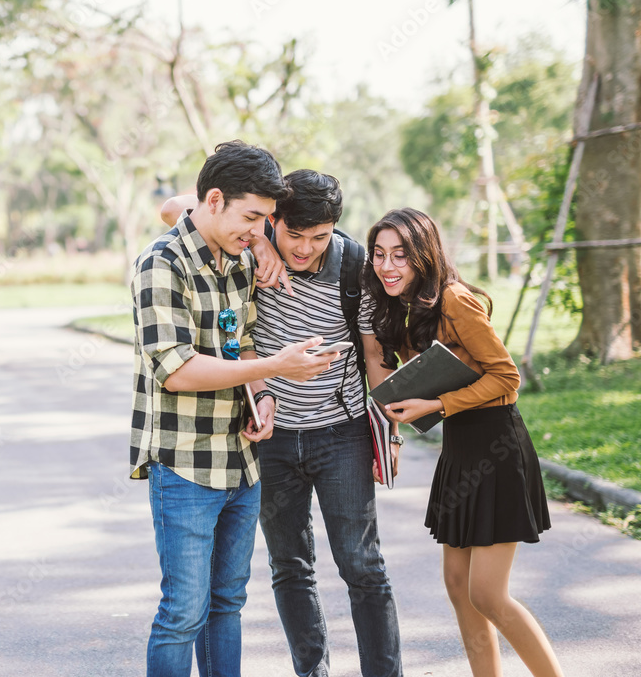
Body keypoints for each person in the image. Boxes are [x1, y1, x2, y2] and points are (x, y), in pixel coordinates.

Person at [161, 170, 403, 677]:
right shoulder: (250, 239)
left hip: (342, 433)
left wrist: (390, 426)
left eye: (320, 237)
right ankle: (312, 671)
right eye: (294, 235)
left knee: (363, 566)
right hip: (268, 439)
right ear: (275, 219)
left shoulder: (354, 262)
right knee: (290, 568)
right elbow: (172, 209)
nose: (305, 249)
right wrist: (265, 246)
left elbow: (376, 354)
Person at [131, 141, 339, 677]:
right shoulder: (161, 264)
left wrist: (262, 396)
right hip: (184, 468)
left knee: (227, 606)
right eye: (252, 218)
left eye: (266, 221)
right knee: (183, 613)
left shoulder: (240, 260)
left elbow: (241, 342)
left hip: (242, 465)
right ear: (215, 199)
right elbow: (177, 370)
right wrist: (274, 367)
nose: (259, 231)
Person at [359, 208, 562, 677]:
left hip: (497, 446)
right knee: (457, 586)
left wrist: (438, 406)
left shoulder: (454, 299)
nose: (388, 266)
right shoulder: (402, 305)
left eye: (400, 256)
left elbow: (507, 377)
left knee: (488, 593)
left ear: (423, 256)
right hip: (459, 449)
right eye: (380, 255)